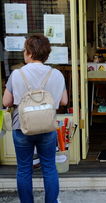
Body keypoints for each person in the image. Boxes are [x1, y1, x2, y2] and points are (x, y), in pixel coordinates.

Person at [2, 35, 68, 203]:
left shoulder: (17, 74)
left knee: (24, 169)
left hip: (22, 127)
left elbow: (6, 102)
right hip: (47, 127)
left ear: (30, 52)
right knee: (49, 168)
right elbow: (64, 101)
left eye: (25, 50)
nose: (24, 53)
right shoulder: (57, 74)